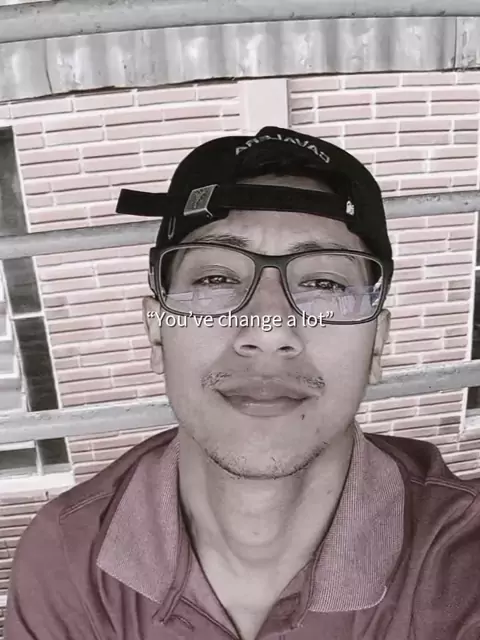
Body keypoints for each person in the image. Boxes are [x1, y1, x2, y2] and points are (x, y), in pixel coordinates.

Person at [5, 126, 480, 640]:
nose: (268, 332)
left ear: (377, 344)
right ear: (156, 330)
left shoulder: (460, 563)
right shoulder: (68, 561)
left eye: (323, 284)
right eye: (217, 279)